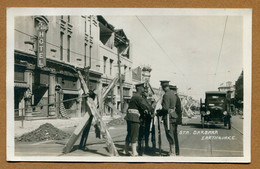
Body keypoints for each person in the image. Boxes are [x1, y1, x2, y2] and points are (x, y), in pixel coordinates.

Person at [123, 83, 150, 156]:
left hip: (129, 117)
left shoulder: (134, 96)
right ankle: (134, 152)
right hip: (134, 118)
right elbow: (144, 106)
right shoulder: (138, 97)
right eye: (143, 88)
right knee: (134, 134)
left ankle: (125, 150)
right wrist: (149, 108)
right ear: (139, 88)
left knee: (129, 134)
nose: (144, 89)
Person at [156, 81, 178, 156]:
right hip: (173, 115)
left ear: (163, 87)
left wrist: (159, 112)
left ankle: (172, 152)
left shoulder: (166, 95)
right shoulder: (173, 94)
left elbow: (165, 108)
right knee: (172, 133)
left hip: (168, 117)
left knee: (169, 134)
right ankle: (173, 151)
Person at [138, 85, 153, 155]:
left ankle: (146, 147)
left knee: (147, 134)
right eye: (145, 91)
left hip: (148, 119)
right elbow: (145, 108)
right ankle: (141, 149)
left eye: (147, 92)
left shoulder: (147, 100)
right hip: (143, 119)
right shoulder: (142, 100)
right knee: (142, 134)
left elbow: (150, 108)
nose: (147, 93)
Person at [169, 85, 182, 156]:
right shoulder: (177, 97)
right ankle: (176, 151)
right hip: (176, 118)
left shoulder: (175, 97)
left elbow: (178, 110)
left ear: (173, 90)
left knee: (173, 135)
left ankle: (175, 151)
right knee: (174, 135)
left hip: (174, 118)